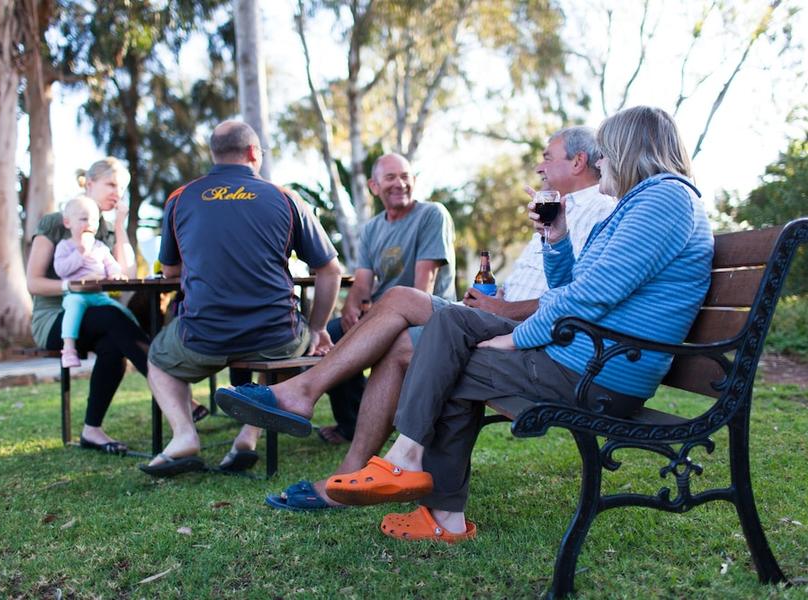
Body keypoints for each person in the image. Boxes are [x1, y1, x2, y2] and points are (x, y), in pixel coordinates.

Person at [316, 105, 714, 542]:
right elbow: (577, 285)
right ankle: (411, 461)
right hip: (585, 352)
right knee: (451, 323)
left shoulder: (664, 199)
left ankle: (434, 501)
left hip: (598, 372)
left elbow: (593, 296)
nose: (600, 163)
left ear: (626, 151)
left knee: (448, 360)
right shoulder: (642, 204)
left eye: (605, 153)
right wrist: (557, 238)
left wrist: (518, 338)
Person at [216, 126, 615, 509]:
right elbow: (546, 280)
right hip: (498, 316)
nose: (540, 167)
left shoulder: (597, 209)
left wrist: (501, 308)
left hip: (529, 334)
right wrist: (494, 297)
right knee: (400, 343)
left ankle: (303, 395)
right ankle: (352, 470)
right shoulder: (561, 208)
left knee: (404, 298)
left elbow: (573, 297)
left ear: (578, 161)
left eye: (547, 157)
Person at [140, 120, 342, 477]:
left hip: (204, 336)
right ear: (253, 153)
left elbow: (170, 273)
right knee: (291, 346)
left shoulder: (181, 197)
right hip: (275, 338)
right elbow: (330, 270)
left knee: (158, 358)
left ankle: (185, 434)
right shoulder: (286, 198)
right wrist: (318, 328)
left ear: (214, 154)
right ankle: (247, 436)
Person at [317, 152, 456, 446]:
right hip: (382, 311)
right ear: (374, 186)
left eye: (405, 176)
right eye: (390, 177)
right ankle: (351, 423)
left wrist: (378, 320)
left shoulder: (432, 214)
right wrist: (351, 307)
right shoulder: (371, 229)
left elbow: (424, 286)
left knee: (396, 336)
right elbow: (363, 281)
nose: (400, 183)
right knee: (333, 333)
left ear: (414, 181)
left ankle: (387, 419)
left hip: (425, 312)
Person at [26, 157, 150, 455]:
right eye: (110, 184)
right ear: (89, 184)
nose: (116, 193)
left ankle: (91, 430)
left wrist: (120, 227)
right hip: (55, 319)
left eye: (122, 188)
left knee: (113, 342)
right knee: (111, 316)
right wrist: (72, 286)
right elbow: (33, 282)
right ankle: (176, 392)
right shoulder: (57, 222)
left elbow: (127, 278)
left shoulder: (106, 229)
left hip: (95, 313)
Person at [53, 195, 137, 368]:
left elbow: (111, 265)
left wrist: (115, 274)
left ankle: (139, 338)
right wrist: (80, 252)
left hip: (99, 295)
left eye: (94, 220)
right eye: (83, 219)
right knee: (73, 310)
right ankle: (68, 349)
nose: (89, 223)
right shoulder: (65, 246)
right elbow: (61, 270)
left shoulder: (99, 246)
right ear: (68, 223)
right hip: (76, 294)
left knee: (122, 312)